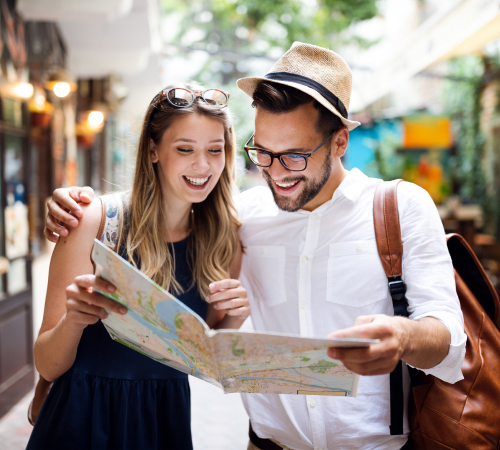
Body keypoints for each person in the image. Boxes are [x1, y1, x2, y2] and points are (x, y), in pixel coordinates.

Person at [44, 43, 466, 450]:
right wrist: (73, 202)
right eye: (262, 153)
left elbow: (450, 340)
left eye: (294, 156)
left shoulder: (398, 206)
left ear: (339, 142)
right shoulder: (239, 217)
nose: (276, 173)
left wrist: (403, 336)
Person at [29, 83, 250, 450]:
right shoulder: (94, 220)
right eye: (184, 149)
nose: (203, 165)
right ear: (153, 150)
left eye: (216, 150)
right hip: (83, 416)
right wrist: (74, 319)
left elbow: (200, 348)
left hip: (164, 417)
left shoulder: (225, 237)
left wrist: (235, 317)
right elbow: (47, 365)